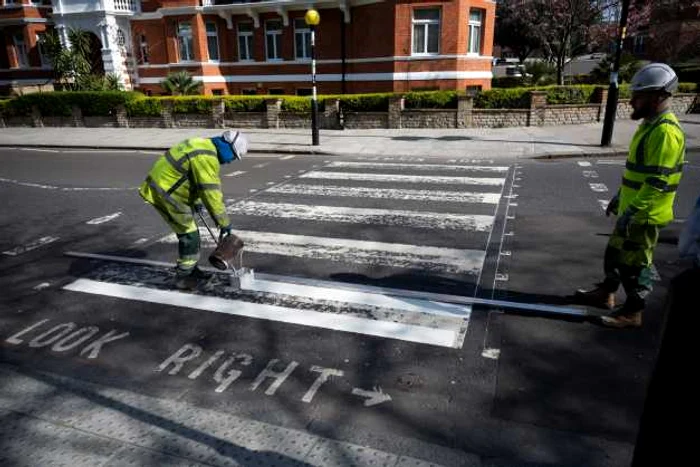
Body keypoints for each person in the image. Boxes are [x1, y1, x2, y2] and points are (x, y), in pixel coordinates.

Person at [575, 63, 686, 328]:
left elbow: (656, 182)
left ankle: (633, 312)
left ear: (658, 96)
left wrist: (632, 212)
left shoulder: (665, 132)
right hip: (632, 209)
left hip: (645, 215)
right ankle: (606, 294)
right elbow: (638, 173)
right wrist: (619, 196)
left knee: (635, 265)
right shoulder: (649, 126)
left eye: (639, 96)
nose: (632, 100)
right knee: (614, 255)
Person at [139, 130, 248, 290]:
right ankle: (183, 276)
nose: (231, 161)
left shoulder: (203, 144)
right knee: (190, 235)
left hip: (166, 186)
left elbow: (192, 178)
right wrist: (224, 223)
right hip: (166, 193)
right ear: (228, 147)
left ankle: (191, 270)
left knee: (190, 232)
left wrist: (196, 201)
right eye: (233, 156)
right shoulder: (207, 157)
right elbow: (210, 193)